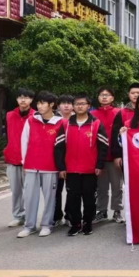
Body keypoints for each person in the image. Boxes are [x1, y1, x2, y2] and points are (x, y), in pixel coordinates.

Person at [54, 93, 108, 236]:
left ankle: (88, 223)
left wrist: (99, 165)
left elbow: (103, 146)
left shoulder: (96, 123)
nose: (80, 106)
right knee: (73, 198)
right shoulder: (66, 124)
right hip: (71, 169)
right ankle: (75, 224)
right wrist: (61, 167)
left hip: (90, 169)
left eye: (83, 104)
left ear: (88, 106)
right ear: (73, 106)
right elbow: (59, 147)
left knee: (89, 198)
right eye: (77, 104)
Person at [17, 91, 66, 238]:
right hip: (31, 165)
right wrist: (24, 162)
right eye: (38, 103)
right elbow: (24, 141)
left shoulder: (61, 122)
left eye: (43, 103)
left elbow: (64, 146)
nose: (39, 106)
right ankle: (29, 226)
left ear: (51, 104)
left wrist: (62, 166)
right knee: (30, 197)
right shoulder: (31, 120)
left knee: (50, 198)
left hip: (51, 167)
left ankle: (46, 225)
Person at [110, 82, 139, 224]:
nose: (135, 95)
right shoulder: (122, 113)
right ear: (128, 95)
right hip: (128, 156)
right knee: (128, 185)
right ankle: (127, 214)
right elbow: (115, 135)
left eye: (138, 93)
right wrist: (117, 155)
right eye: (133, 93)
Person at [4, 88, 35, 228]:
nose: (23, 100)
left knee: (29, 192)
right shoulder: (9, 115)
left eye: (26, 97)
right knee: (16, 191)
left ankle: (29, 217)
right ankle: (17, 216)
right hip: (12, 158)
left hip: (30, 160)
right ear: (16, 99)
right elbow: (8, 136)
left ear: (31, 100)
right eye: (20, 97)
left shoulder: (36, 116)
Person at [91, 87, 121, 225]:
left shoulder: (118, 113)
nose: (104, 97)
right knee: (101, 187)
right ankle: (101, 210)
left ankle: (117, 210)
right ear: (98, 97)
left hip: (115, 155)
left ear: (112, 98)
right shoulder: (92, 114)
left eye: (107, 95)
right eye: (102, 95)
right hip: (99, 157)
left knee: (117, 186)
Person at [54, 94, 75, 226]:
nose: (66, 105)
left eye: (69, 103)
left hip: (73, 160)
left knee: (72, 191)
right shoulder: (53, 120)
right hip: (56, 160)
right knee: (56, 191)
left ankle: (69, 216)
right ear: (58, 106)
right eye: (63, 103)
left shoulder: (78, 119)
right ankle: (56, 216)